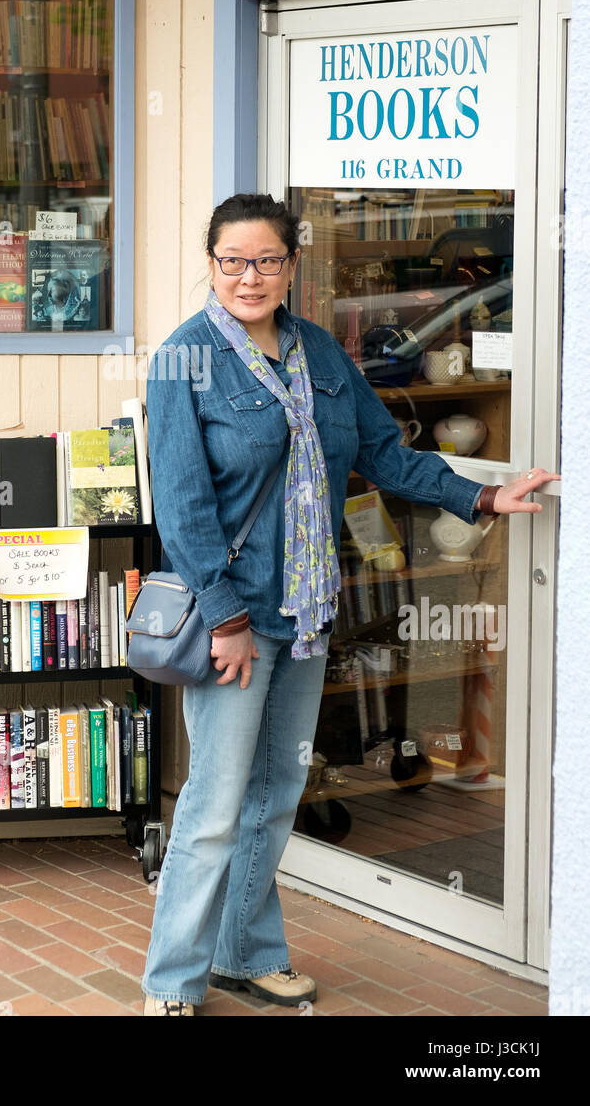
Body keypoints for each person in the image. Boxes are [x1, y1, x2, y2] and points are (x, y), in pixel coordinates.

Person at [140, 192, 559, 1017]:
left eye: (265, 260)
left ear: (292, 266)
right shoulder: (182, 361)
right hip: (237, 617)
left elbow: (385, 457)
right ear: (211, 265)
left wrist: (484, 498)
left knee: (275, 798)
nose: (248, 276)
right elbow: (182, 509)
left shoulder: (321, 356)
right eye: (232, 261)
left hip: (305, 613)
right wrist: (225, 620)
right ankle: (172, 983)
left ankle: (246, 954)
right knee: (215, 806)